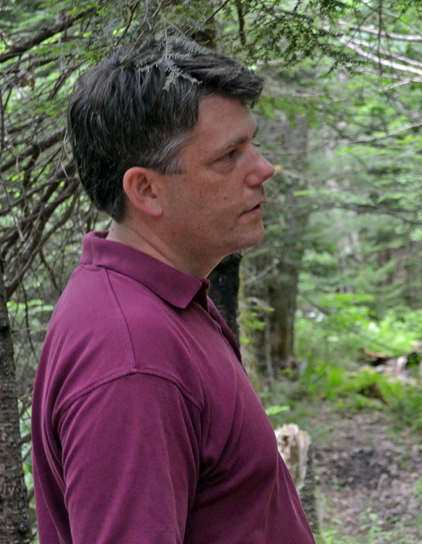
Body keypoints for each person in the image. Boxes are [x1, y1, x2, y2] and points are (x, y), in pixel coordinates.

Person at [30, 40, 316, 544]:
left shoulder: (161, 301)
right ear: (145, 191)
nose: (263, 168)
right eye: (229, 156)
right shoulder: (134, 359)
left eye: (251, 142)